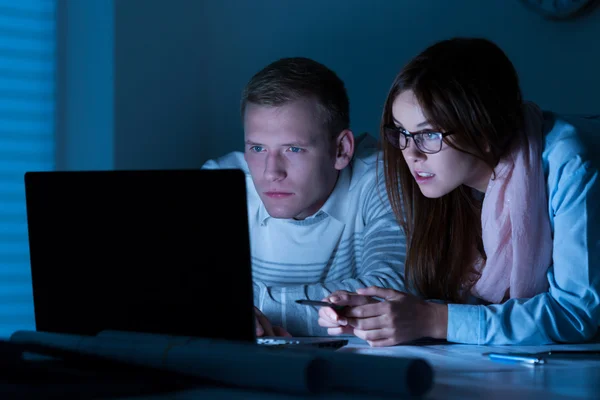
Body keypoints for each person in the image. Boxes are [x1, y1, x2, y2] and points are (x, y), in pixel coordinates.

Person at [318, 37, 600, 346]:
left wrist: (431, 319)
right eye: (401, 132)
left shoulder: (569, 162)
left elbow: (576, 313)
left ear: (483, 131)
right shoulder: (442, 182)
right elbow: (457, 308)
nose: (410, 153)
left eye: (428, 134)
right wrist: (380, 315)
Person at [201, 57, 407, 337]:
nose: (271, 172)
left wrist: (238, 311)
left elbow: (392, 298)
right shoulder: (221, 182)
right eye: (258, 148)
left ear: (341, 151)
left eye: (293, 149)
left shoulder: (384, 179)